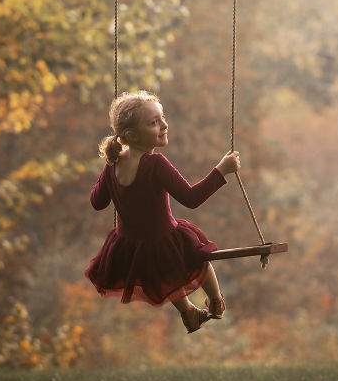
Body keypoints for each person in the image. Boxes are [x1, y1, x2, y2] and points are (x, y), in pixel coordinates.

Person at [84, 90, 240, 334]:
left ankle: (188, 313)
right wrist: (221, 170)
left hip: (132, 247)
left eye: (162, 117)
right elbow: (191, 198)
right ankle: (216, 301)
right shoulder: (155, 164)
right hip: (162, 237)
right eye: (153, 122)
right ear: (132, 135)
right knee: (198, 257)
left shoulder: (113, 165)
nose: (164, 125)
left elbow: (97, 202)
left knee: (166, 273)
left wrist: (108, 173)